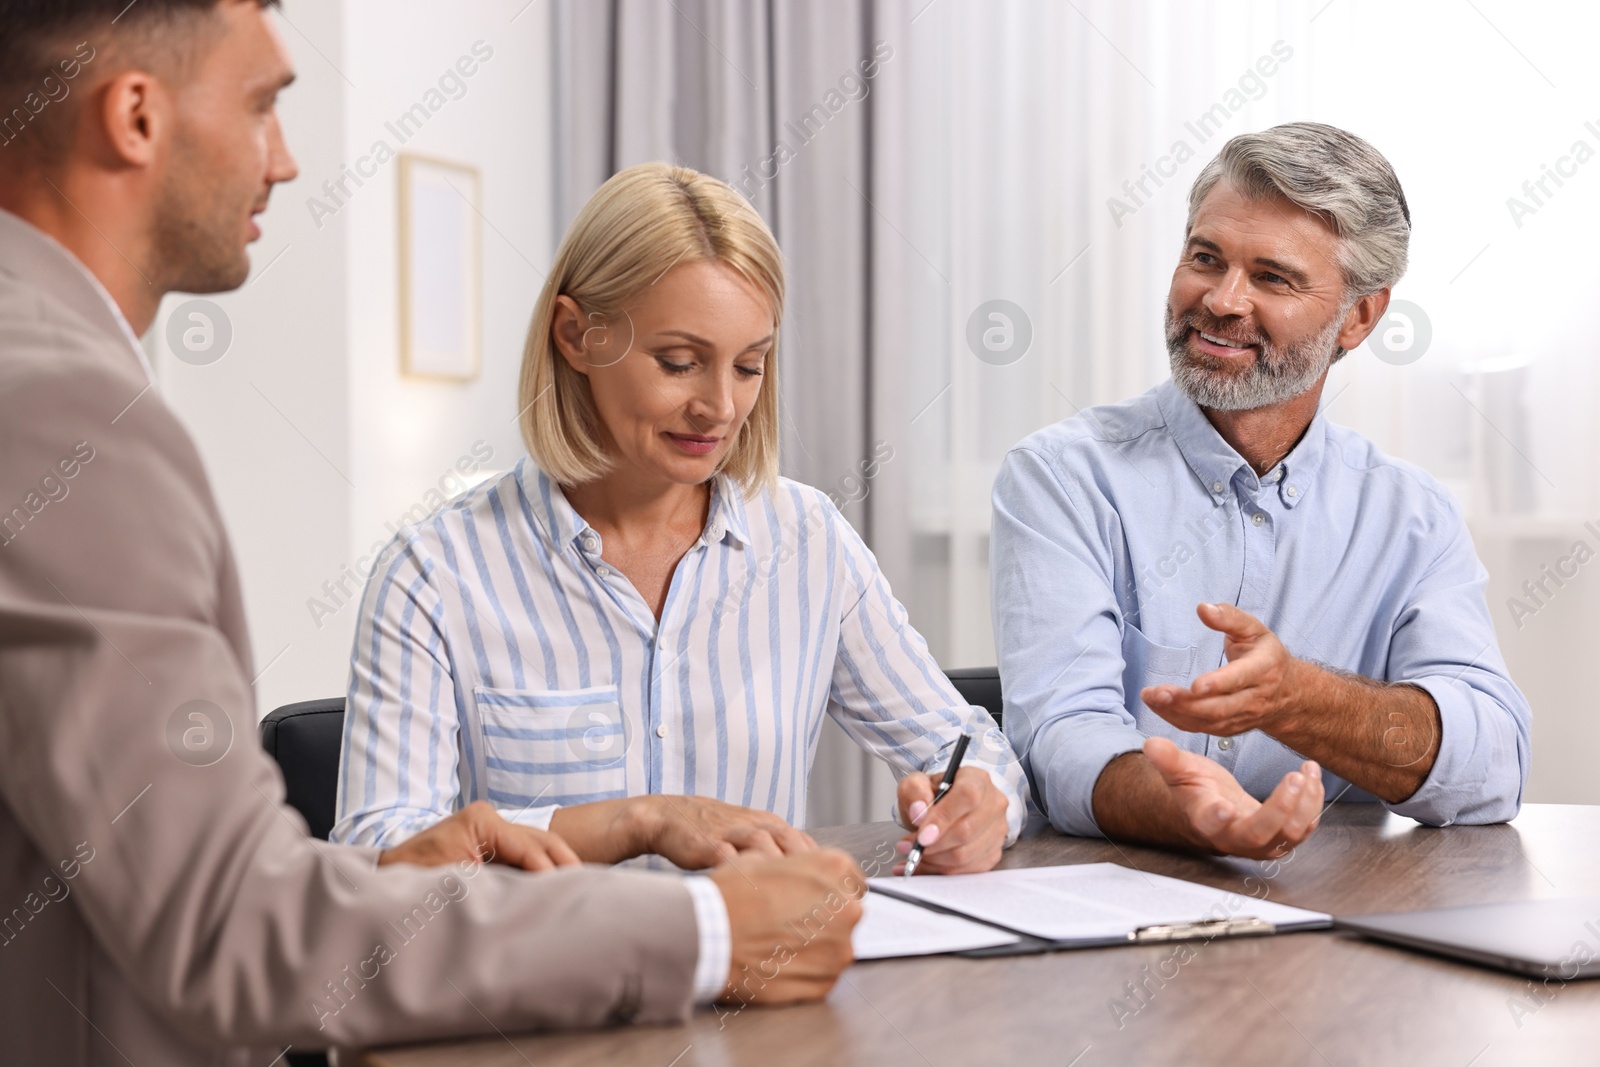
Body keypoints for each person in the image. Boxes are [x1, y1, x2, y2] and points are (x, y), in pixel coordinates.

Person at [0, 3, 860, 1063]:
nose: (285, 160)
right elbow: (229, 922)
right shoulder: (56, 408)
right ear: (134, 115)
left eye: (746, 363)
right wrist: (706, 928)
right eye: (264, 103)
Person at [331, 161, 1026, 875]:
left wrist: (976, 802)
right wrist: (637, 821)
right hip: (548, 983)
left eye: (749, 366)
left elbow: (972, 747)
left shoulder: (808, 540)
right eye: (678, 361)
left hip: (762, 979)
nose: (720, 406)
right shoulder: (436, 570)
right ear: (575, 336)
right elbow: (375, 851)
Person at [992, 122, 1530, 861]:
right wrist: (1197, 815)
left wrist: (1299, 698)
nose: (1221, 299)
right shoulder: (1064, 476)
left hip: (1340, 927)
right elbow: (1063, 740)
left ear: (1360, 316)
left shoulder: (1411, 516)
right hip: (1114, 914)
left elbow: (1492, 762)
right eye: (1204, 258)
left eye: (1271, 277)